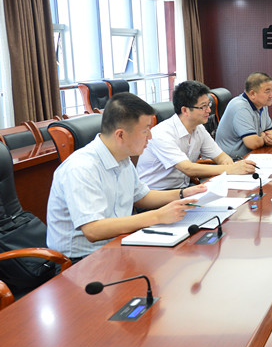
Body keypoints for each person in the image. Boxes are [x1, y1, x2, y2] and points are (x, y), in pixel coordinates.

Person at [46, 93, 206, 262]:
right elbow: (93, 230)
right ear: (120, 135)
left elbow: (142, 196)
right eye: (145, 130)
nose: (150, 136)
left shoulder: (123, 158)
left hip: (119, 244)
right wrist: (158, 216)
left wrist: (184, 194)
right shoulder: (81, 168)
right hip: (81, 260)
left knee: (185, 258)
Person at [137, 80, 256, 190]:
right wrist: (230, 169)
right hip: (157, 195)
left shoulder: (198, 128)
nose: (209, 110)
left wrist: (231, 166)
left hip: (184, 189)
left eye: (208, 105)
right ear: (185, 110)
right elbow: (188, 168)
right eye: (203, 106)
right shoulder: (162, 134)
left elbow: (221, 157)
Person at [216, 72, 272, 159]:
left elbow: (270, 130)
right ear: (252, 94)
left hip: (251, 156)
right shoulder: (241, 107)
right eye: (267, 91)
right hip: (231, 161)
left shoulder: (262, 105)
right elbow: (252, 143)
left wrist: (269, 138)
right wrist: (264, 138)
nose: (271, 95)